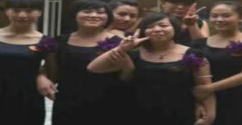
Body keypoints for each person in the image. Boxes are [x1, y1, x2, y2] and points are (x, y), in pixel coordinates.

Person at [88, 13, 216, 125]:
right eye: (150, 27)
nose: (157, 29)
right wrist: (122, 48)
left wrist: (210, 116)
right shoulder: (134, 54)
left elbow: (205, 87)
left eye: (163, 25)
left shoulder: (194, 54)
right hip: (137, 112)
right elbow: (94, 67)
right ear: (144, 31)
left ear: (175, 28)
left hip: (180, 113)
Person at [36, 0, 122, 125]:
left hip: (108, 101)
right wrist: (41, 76)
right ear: (74, 15)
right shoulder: (59, 41)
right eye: (87, 11)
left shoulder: (118, 43)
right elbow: (46, 67)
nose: (94, 15)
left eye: (100, 12)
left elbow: (127, 73)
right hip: (68, 102)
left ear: (108, 17)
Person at [191, 2, 242, 125]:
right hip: (206, 101)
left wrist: (209, 88)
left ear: (241, 18)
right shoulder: (199, 44)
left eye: (226, 16)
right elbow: (193, 74)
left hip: (239, 101)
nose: (219, 19)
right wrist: (197, 101)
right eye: (214, 16)